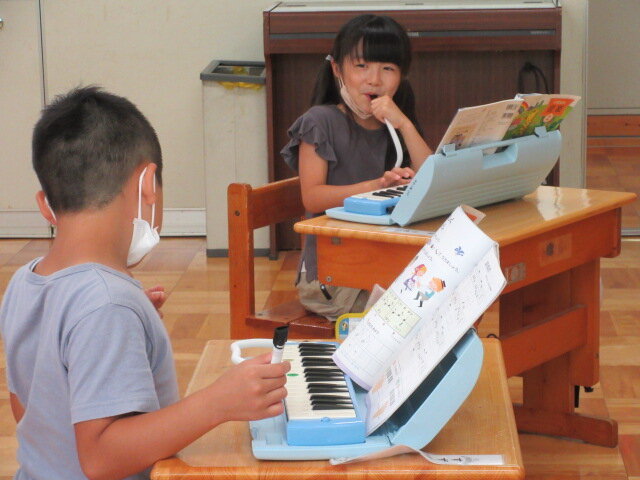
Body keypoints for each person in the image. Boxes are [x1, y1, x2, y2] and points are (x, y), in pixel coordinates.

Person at [0, 86, 290, 480]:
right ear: (148, 184)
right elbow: (101, 459)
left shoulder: (25, 281)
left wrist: (113, 335)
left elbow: (28, 408)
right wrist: (219, 402)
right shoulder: (108, 304)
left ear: (44, 204)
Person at [281, 14, 432, 320]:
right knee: (418, 315)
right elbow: (312, 197)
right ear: (337, 69)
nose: (374, 79)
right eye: (361, 66)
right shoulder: (319, 122)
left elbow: (433, 179)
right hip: (331, 277)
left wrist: (404, 124)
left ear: (402, 76)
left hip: (383, 262)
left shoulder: (395, 126)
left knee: (449, 295)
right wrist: (377, 187)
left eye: (388, 68)